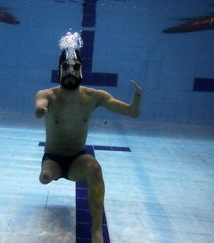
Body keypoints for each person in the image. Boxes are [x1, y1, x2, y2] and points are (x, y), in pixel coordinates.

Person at [34, 32, 142, 243]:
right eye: (67, 69)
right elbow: (40, 105)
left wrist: (137, 98)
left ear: (82, 71)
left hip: (77, 159)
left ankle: (96, 231)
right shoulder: (48, 95)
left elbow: (131, 113)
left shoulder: (94, 97)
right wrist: (41, 111)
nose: (71, 73)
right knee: (45, 177)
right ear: (60, 71)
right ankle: (47, 172)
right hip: (53, 158)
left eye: (75, 68)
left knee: (95, 169)